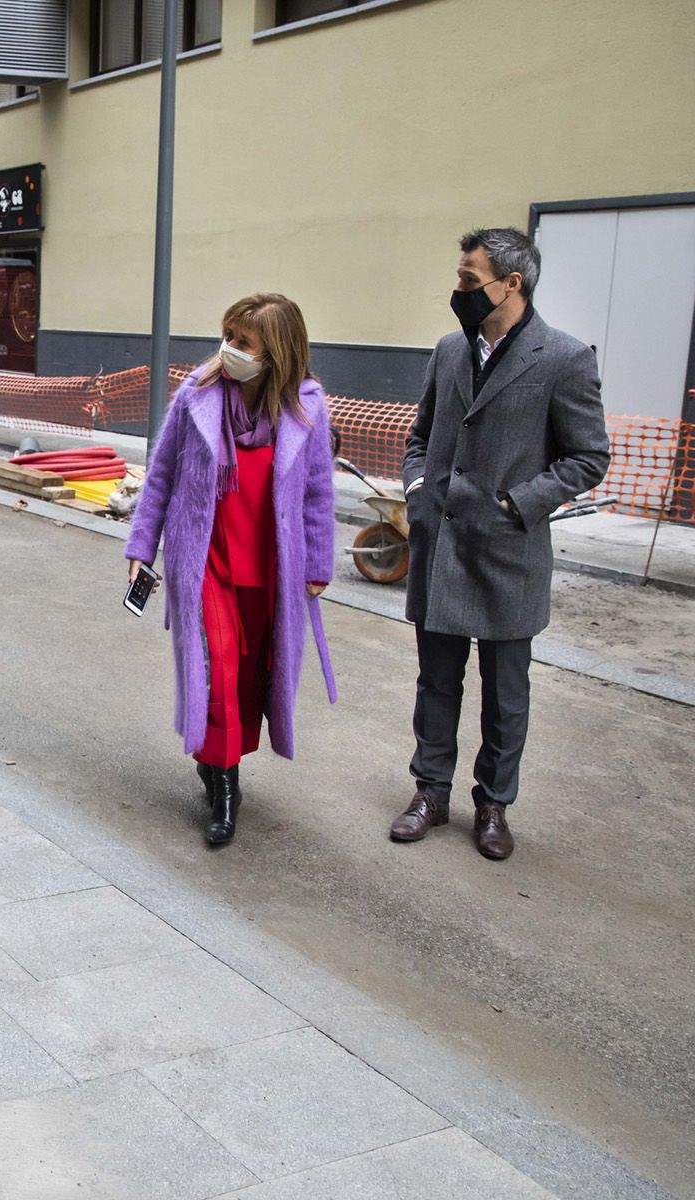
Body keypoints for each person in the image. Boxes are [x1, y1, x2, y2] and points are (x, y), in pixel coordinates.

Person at [391, 229, 609, 860]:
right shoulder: (448, 350)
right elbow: (420, 436)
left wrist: (518, 504)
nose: (458, 288)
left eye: (469, 279)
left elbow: (588, 457)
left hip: (509, 553)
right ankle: (430, 793)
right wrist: (417, 488)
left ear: (511, 283)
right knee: (436, 683)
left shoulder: (564, 357)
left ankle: (493, 805)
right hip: (441, 546)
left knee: (506, 694)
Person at [124, 293, 337, 847]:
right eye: (228, 336)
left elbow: (317, 493)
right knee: (215, 671)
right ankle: (225, 790)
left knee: (248, 677)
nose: (230, 349)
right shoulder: (196, 395)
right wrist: (142, 546)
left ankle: (216, 758)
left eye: (245, 342)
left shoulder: (306, 409)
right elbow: (161, 475)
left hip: (271, 568)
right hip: (206, 563)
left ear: (278, 353)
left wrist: (318, 564)